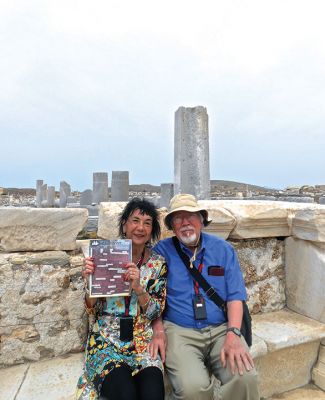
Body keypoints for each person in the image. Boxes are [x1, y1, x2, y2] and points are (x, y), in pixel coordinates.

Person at [150, 193, 260, 400]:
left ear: (201, 220)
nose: (185, 223)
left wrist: (234, 334)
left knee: (245, 378)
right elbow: (152, 293)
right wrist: (158, 329)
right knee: (193, 389)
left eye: (190, 216)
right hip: (180, 330)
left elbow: (235, 297)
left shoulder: (223, 250)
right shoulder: (161, 252)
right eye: (178, 218)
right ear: (172, 226)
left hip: (221, 328)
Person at [76, 198, 167, 400]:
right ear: (124, 224)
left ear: (152, 230)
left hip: (142, 342)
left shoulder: (157, 264)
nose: (140, 228)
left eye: (147, 223)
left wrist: (139, 289)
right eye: (135, 220)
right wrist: (91, 281)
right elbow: (90, 308)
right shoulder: (104, 255)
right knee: (125, 393)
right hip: (107, 340)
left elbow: (155, 312)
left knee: (154, 393)